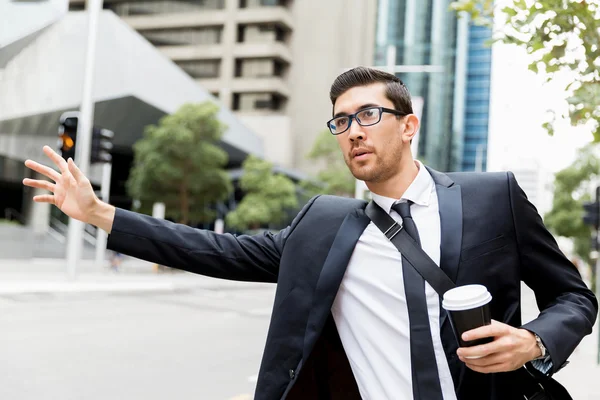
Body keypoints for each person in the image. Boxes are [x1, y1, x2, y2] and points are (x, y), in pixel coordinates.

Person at [24, 67, 597, 400]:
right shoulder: (325, 225)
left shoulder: (492, 196)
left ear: (409, 125)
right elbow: (216, 249)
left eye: (368, 115)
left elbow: (573, 296)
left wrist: (536, 341)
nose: (353, 131)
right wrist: (101, 215)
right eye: (341, 122)